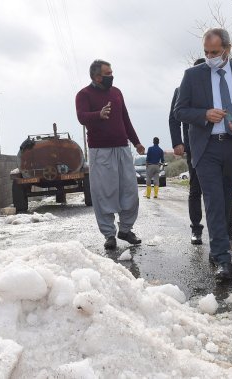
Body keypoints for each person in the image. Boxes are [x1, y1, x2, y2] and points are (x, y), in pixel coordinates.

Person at [174, 27, 232, 280]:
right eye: (206, 52)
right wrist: (204, 115)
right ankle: (223, 259)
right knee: (212, 200)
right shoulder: (192, 75)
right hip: (206, 147)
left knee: (225, 201)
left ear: (227, 49)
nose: (210, 56)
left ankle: (217, 247)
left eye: (215, 52)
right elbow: (180, 111)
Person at [75, 59, 145, 250]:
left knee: (130, 190)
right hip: (100, 152)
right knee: (104, 193)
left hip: (122, 148)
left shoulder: (116, 93)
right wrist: (98, 114)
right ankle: (109, 235)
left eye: (111, 72)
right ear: (96, 76)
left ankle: (125, 229)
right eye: (107, 74)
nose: (111, 76)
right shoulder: (84, 94)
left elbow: (125, 119)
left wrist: (136, 142)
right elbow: (82, 117)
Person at [169, 58, 207, 245]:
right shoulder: (181, 90)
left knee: (222, 191)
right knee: (196, 189)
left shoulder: (218, 88)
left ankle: (227, 227)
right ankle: (196, 229)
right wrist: (178, 142)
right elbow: (174, 119)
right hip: (194, 147)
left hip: (218, 145)